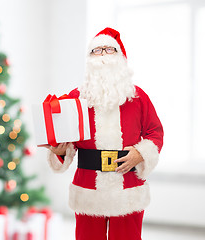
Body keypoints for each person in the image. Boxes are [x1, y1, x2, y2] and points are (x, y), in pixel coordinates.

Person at [45, 28, 163, 240]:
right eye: (96, 50)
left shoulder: (137, 97)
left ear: (120, 56)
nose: (103, 56)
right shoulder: (75, 98)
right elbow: (65, 141)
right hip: (88, 187)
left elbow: (155, 132)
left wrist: (140, 153)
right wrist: (59, 150)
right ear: (89, 59)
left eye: (109, 49)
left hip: (128, 185)